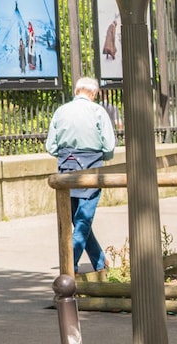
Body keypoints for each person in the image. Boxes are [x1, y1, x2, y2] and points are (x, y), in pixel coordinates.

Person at [45, 77, 117, 273]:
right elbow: (109, 147)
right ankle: (69, 265)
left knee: (78, 220)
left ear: (76, 91)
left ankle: (100, 263)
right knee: (83, 220)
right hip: (91, 169)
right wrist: (101, 155)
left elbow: (51, 146)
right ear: (93, 94)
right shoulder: (98, 111)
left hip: (66, 171)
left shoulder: (61, 111)